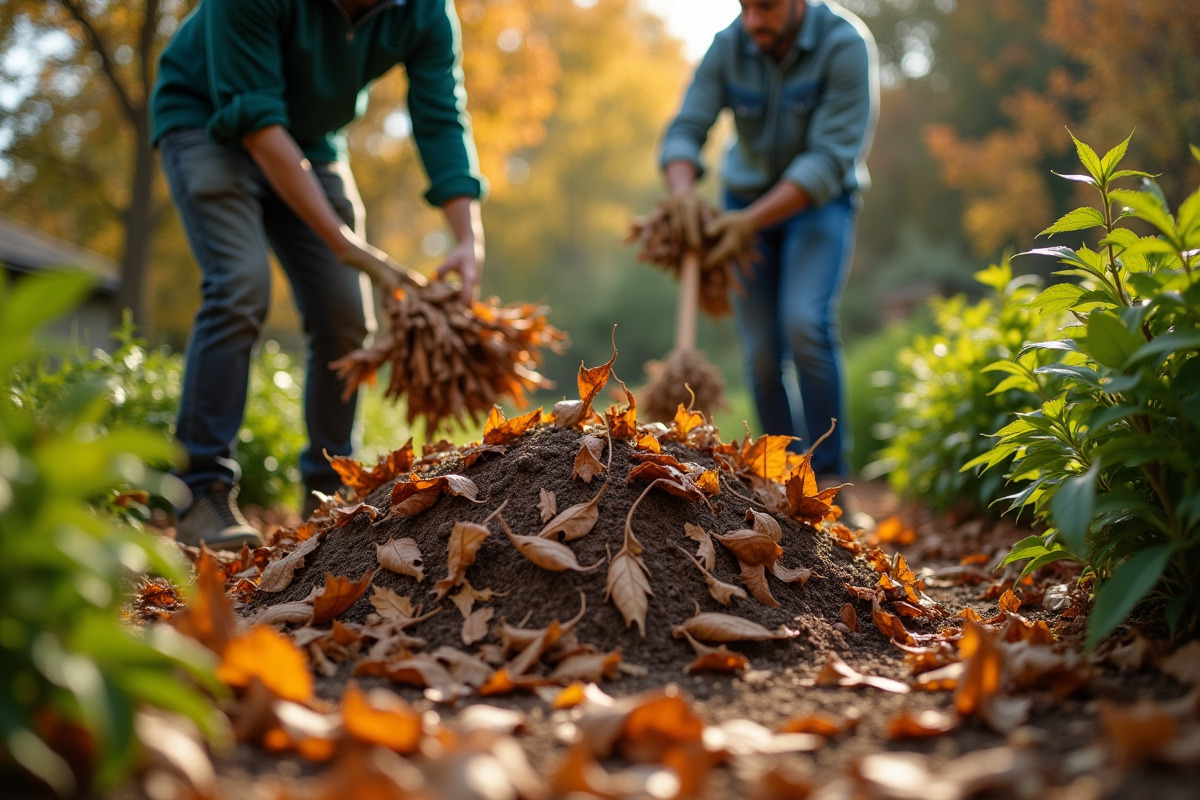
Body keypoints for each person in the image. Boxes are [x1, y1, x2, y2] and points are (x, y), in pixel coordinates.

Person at [151, 0, 486, 549]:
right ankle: (199, 492)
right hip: (206, 115)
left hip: (309, 140)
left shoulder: (426, 10)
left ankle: (329, 490)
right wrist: (347, 244)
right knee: (240, 286)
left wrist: (468, 238)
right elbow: (258, 124)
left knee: (344, 314)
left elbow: (441, 114)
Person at [658, 0, 878, 525]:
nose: (754, 20)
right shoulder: (728, 46)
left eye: (768, 7)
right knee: (760, 354)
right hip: (744, 203)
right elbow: (685, 129)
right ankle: (785, 479)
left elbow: (828, 161)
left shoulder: (844, 45)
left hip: (818, 205)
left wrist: (750, 222)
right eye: (746, 6)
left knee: (805, 323)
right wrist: (683, 191)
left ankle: (830, 481)